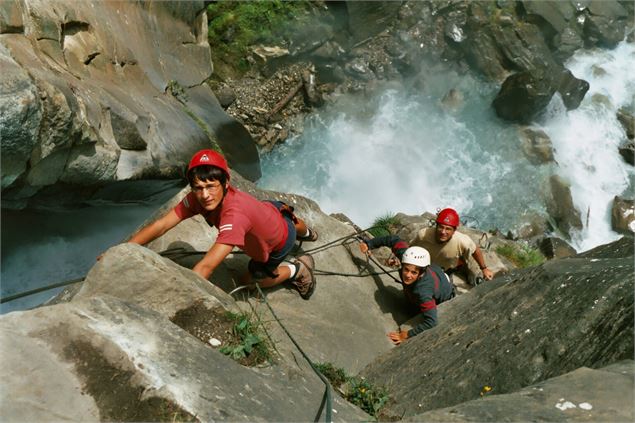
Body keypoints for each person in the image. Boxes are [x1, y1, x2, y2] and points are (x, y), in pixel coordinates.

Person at [125, 149, 319, 299]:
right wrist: (124, 249)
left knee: (250, 282)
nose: (205, 195)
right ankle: (308, 233)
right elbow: (162, 225)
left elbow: (206, 267)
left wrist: (179, 297)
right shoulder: (197, 198)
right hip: (271, 210)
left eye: (211, 186)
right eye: (198, 188)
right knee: (283, 214)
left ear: (226, 183)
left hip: (278, 243)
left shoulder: (234, 217)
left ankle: (297, 270)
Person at [359, 235, 455, 345]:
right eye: (406, 270)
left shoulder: (423, 292)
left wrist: (407, 335)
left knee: (413, 305)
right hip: (437, 273)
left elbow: (432, 322)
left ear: (421, 273)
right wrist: (369, 244)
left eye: (413, 272)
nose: (408, 275)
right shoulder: (408, 257)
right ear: (403, 264)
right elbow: (393, 240)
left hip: (444, 291)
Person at [412, 208, 493, 286]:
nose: (443, 232)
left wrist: (484, 269)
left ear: (454, 231)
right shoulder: (423, 235)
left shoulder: (462, 241)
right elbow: (411, 251)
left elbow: (475, 250)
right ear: (436, 226)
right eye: (441, 227)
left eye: (448, 229)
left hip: (445, 271)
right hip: (424, 268)